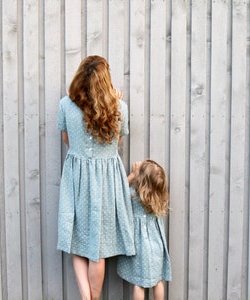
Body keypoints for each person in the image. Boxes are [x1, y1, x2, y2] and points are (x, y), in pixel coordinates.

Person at [57, 55, 135, 300]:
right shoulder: (120, 108)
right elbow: (118, 143)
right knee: (97, 248)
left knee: (76, 237)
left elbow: (67, 140)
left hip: (76, 177)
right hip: (107, 180)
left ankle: (85, 297)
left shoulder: (65, 105)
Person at [117, 160, 172, 300]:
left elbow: (118, 188)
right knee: (158, 281)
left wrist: (133, 175)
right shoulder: (159, 198)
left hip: (139, 247)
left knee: (139, 284)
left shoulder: (133, 196)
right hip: (156, 246)